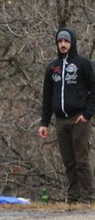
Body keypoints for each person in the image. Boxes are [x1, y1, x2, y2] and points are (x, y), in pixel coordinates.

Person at [38, 27, 95, 203]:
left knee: (82, 161)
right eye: (60, 41)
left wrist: (87, 114)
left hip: (79, 119)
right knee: (69, 162)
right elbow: (47, 97)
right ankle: (73, 198)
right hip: (60, 121)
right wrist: (44, 123)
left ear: (72, 43)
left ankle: (89, 197)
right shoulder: (52, 68)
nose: (63, 45)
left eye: (66, 41)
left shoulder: (83, 64)